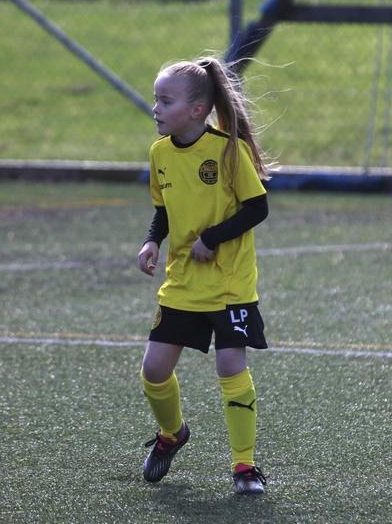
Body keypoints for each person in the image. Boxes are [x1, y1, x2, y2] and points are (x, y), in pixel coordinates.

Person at [138, 56, 270, 496]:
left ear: (197, 110)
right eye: (155, 99)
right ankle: (172, 433)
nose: (155, 108)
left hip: (230, 282)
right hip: (183, 280)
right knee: (154, 371)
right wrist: (152, 241)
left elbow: (257, 207)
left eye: (165, 101)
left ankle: (244, 466)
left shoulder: (229, 150)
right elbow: (164, 208)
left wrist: (212, 238)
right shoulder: (159, 153)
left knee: (230, 364)